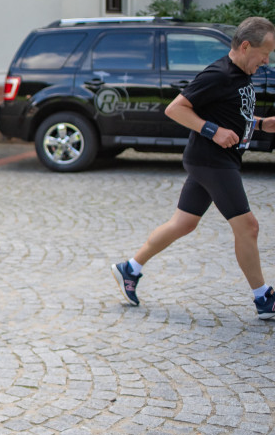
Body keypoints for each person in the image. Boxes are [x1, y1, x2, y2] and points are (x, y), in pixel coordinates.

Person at [112, 16, 275, 320]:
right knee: (248, 226)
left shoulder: (241, 76)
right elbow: (175, 108)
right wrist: (213, 131)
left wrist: (263, 124)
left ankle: (129, 268)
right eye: (264, 54)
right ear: (245, 46)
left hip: (212, 160)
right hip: (211, 161)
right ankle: (263, 298)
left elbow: (231, 115)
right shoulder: (218, 74)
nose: (266, 61)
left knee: (183, 224)